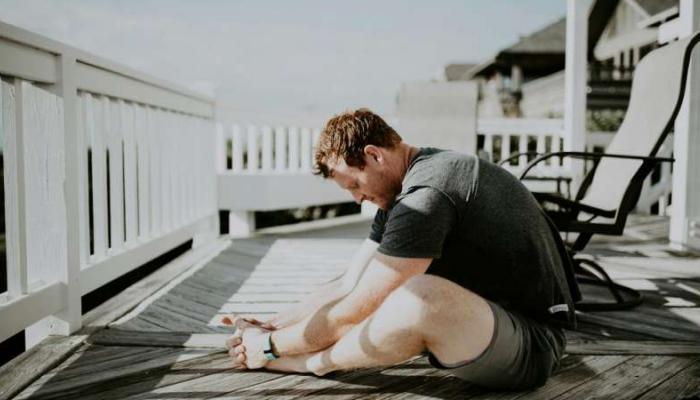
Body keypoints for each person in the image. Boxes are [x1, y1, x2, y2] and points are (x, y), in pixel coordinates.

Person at [225, 108, 577, 390]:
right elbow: (349, 284)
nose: (357, 198)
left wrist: (271, 347)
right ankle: (295, 354)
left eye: (354, 184)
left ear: (373, 155)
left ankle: (312, 364)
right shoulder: (403, 190)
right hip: (485, 325)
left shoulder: (427, 194)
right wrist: (270, 325)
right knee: (380, 289)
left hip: (532, 345)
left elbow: (358, 308)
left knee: (419, 297)